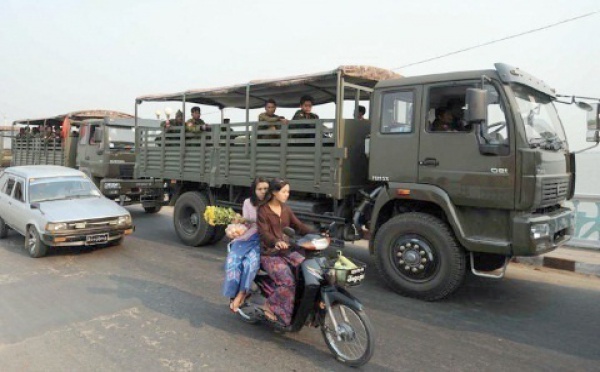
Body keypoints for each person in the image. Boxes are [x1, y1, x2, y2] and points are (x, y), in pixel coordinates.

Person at [256, 178, 314, 325]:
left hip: (287, 251)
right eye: (284, 191)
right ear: (275, 192)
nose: (287, 194)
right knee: (287, 282)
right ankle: (269, 305)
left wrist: (317, 234)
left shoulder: (286, 209)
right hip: (270, 253)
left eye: (288, 191)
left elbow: (299, 226)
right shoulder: (263, 211)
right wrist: (276, 242)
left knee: (308, 270)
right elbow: (264, 233)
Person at [222, 177, 270, 314]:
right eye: (259, 189)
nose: (262, 192)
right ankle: (233, 293)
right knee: (233, 261)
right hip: (247, 237)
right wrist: (236, 226)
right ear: (254, 191)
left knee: (250, 264)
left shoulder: (271, 204)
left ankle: (242, 294)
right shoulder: (248, 203)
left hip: (262, 240)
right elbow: (247, 223)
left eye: (265, 188)